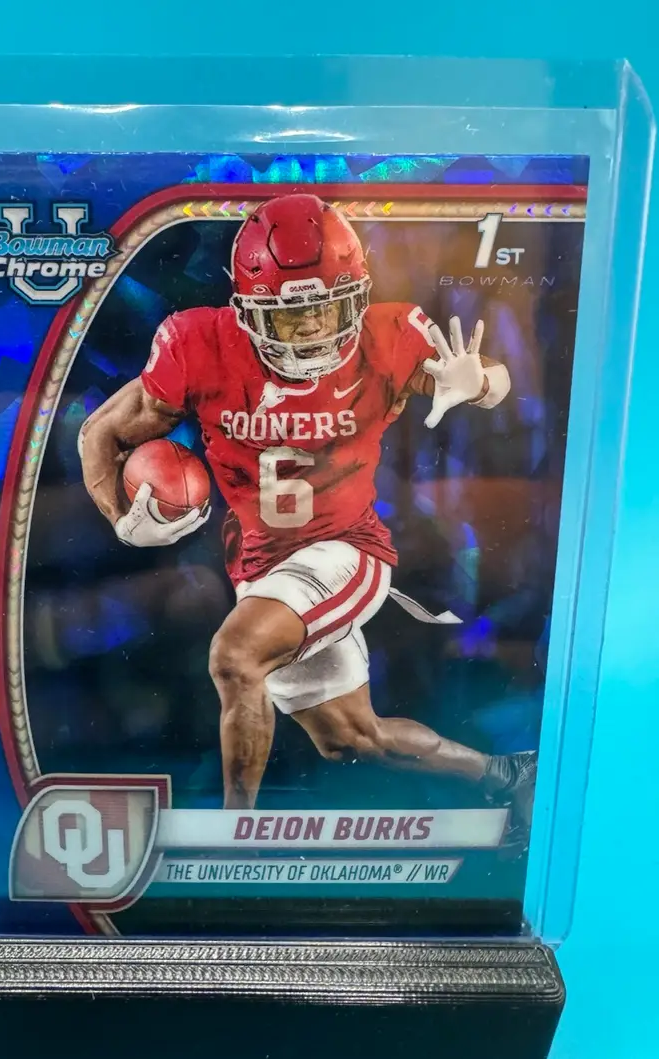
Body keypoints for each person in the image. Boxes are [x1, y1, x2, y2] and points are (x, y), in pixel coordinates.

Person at [80, 192, 535, 839]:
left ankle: (235, 840)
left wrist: (480, 383)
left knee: (235, 656)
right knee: (351, 738)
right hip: (261, 564)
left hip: (347, 547)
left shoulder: (388, 337)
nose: (315, 330)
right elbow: (100, 434)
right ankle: (506, 775)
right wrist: (122, 519)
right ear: (248, 310)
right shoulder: (199, 343)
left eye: (328, 308)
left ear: (357, 295)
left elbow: (494, 377)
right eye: (293, 316)